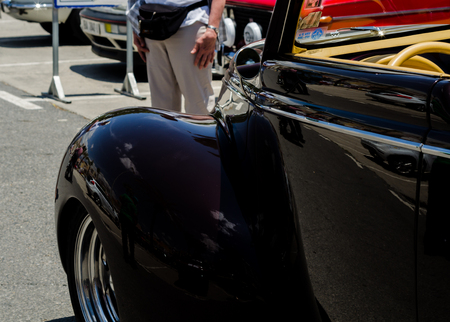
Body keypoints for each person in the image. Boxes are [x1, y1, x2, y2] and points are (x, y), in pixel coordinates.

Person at [127, 0, 226, 114]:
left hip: (190, 20)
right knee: (162, 107)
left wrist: (212, 29)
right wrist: (135, 27)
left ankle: (201, 132)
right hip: (152, 22)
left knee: (198, 105)